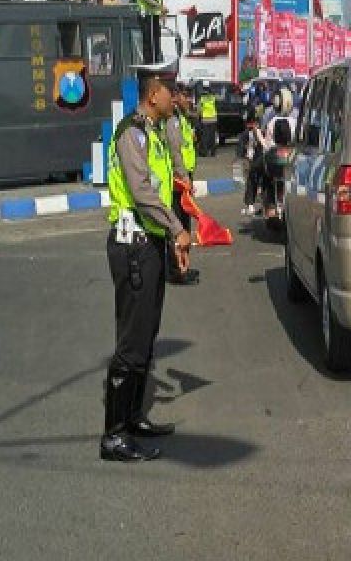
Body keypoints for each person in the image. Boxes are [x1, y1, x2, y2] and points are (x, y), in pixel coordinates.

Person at [101, 61, 191, 463]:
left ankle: (134, 417)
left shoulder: (152, 133)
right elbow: (141, 193)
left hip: (149, 245)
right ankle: (114, 436)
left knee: (147, 334)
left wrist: (173, 241)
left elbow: (162, 188)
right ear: (153, 94)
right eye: (170, 90)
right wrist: (176, 228)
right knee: (131, 342)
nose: (176, 97)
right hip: (132, 246)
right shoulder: (131, 135)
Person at [164, 83, 201, 286]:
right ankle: (177, 269)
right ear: (176, 97)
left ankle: (183, 265)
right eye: (187, 96)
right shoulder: (172, 121)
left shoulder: (181, 119)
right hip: (177, 181)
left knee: (185, 223)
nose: (190, 101)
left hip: (184, 179)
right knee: (178, 225)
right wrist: (184, 177)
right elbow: (175, 151)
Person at [237, 110, 268, 216]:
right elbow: (241, 149)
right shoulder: (245, 134)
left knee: (256, 181)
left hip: (258, 159)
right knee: (252, 181)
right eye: (252, 123)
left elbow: (263, 145)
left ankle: (257, 205)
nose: (254, 125)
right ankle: (251, 204)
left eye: (255, 123)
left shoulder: (259, 132)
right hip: (252, 160)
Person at [197, 84, 218, 157]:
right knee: (212, 136)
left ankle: (204, 152)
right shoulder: (213, 98)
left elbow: (199, 110)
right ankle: (213, 152)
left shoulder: (202, 99)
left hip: (205, 119)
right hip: (213, 119)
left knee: (205, 136)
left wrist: (198, 116)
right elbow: (216, 106)